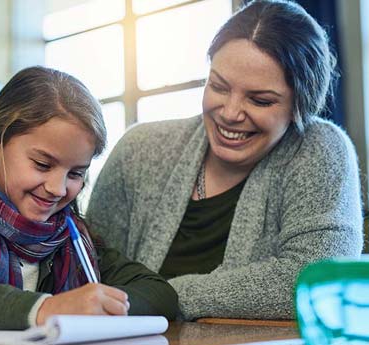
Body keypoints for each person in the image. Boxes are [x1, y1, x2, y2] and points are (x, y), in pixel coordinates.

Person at [86, 0, 363, 320]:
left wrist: (161, 297)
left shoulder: (319, 149)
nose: (230, 113)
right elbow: (90, 270)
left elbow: (316, 279)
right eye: (218, 86)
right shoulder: (139, 151)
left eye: (260, 100)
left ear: (301, 104)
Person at [0, 66, 179, 330]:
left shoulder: (69, 234)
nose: (57, 189)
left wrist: (99, 307)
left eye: (75, 173)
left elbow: (159, 293)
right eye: (42, 165)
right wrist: (47, 309)